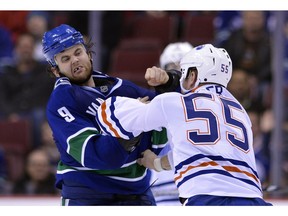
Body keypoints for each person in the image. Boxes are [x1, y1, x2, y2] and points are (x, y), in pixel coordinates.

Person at [96, 44, 272, 206]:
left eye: (184, 72)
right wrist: (157, 163)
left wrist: (135, 105)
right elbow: (199, 152)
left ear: (193, 75)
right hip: (253, 199)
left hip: (206, 198)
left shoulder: (176, 102)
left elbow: (110, 115)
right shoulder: (241, 112)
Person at [42, 24, 179, 206]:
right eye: (65, 58)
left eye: (78, 52)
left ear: (89, 54)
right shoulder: (61, 101)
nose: (75, 60)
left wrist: (167, 85)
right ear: (55, 70)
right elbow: (98, 155)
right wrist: (135, 121)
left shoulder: (121, 88)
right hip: (88, 196)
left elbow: (170, 119)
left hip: (136, 193)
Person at [150, 42, 193, 205]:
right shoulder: (152, 106)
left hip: (196, 190)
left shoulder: (208, 105)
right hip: (161, 191)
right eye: (171, 67)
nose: (176, 74)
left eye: (181, 68)